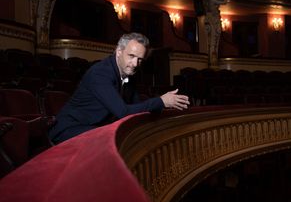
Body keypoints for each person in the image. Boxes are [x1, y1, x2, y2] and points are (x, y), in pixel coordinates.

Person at [48, 33, 189, 144]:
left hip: (95, 127)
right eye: (131, 56)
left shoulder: (130, 74)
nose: (135, 64)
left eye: (140, 59)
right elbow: (123, 112)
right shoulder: (100, 72)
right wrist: (161, 101)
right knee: (115, 141)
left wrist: (163, 107)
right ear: (119, 51)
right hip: (70, 129)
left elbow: (136, 107)